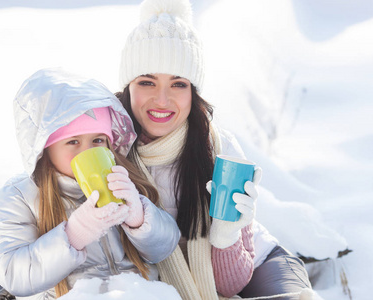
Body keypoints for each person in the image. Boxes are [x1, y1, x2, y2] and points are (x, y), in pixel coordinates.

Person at [115, 0, 314, 299]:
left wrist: (225, 234)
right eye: (147, 82)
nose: (162, 100)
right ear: (127, 86)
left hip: (257, 263)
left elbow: (228, 286)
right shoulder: (108, 146)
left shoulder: (217, 149)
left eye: (178, 84)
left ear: (193, 92)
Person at [0, 68, 180, 300]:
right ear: (45, 148)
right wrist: (73, 235)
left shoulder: (122, 179)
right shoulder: (20, 196)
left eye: (98, 140)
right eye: (73, 141)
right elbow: (13, 274)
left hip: (139, 292)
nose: (87, 151)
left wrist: (140, 216)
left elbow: (164, 248)